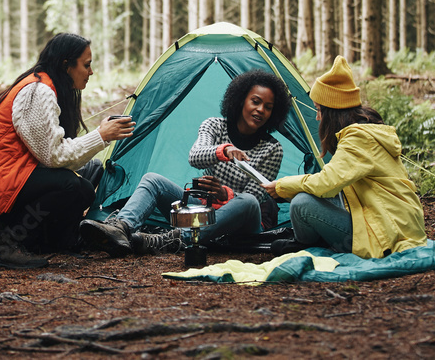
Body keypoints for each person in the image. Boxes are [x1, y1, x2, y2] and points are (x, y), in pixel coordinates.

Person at [0, 33, 135, 268]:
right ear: (66, 65)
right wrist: (101, 136)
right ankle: (5, 244)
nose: (91, 71)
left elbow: (55, 157)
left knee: (91, 170)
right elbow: (54, 157)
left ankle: (3, 232)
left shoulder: (48, 87)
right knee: (75, 187)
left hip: (2, 177)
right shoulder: (38, 91)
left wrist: (99, 136)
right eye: (86, 65)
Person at [79, 69, 291, 257]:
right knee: (153, 180)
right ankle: (121, 228)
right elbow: (196, 156)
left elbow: (254, 197)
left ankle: (175, 239)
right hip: (205, 212)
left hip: (242, 222)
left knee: (247, 202)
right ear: (241, 100)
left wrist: (225, 194)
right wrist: (224, 150)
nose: (261, 110)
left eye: (268, 107)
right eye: (256, 101)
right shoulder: (215, 126)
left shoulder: (272, 149)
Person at [262, 56, 427, 259]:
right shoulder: (365, 132)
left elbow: (327, 183)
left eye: (320, 110)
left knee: (302, 203)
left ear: (333, 111)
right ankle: (309, 242)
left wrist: (282, 185)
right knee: (308, 196)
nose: (317, 117)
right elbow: (334, 184)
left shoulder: (359, 138)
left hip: (387, 231)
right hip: (390, 221)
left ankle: (304, 245)